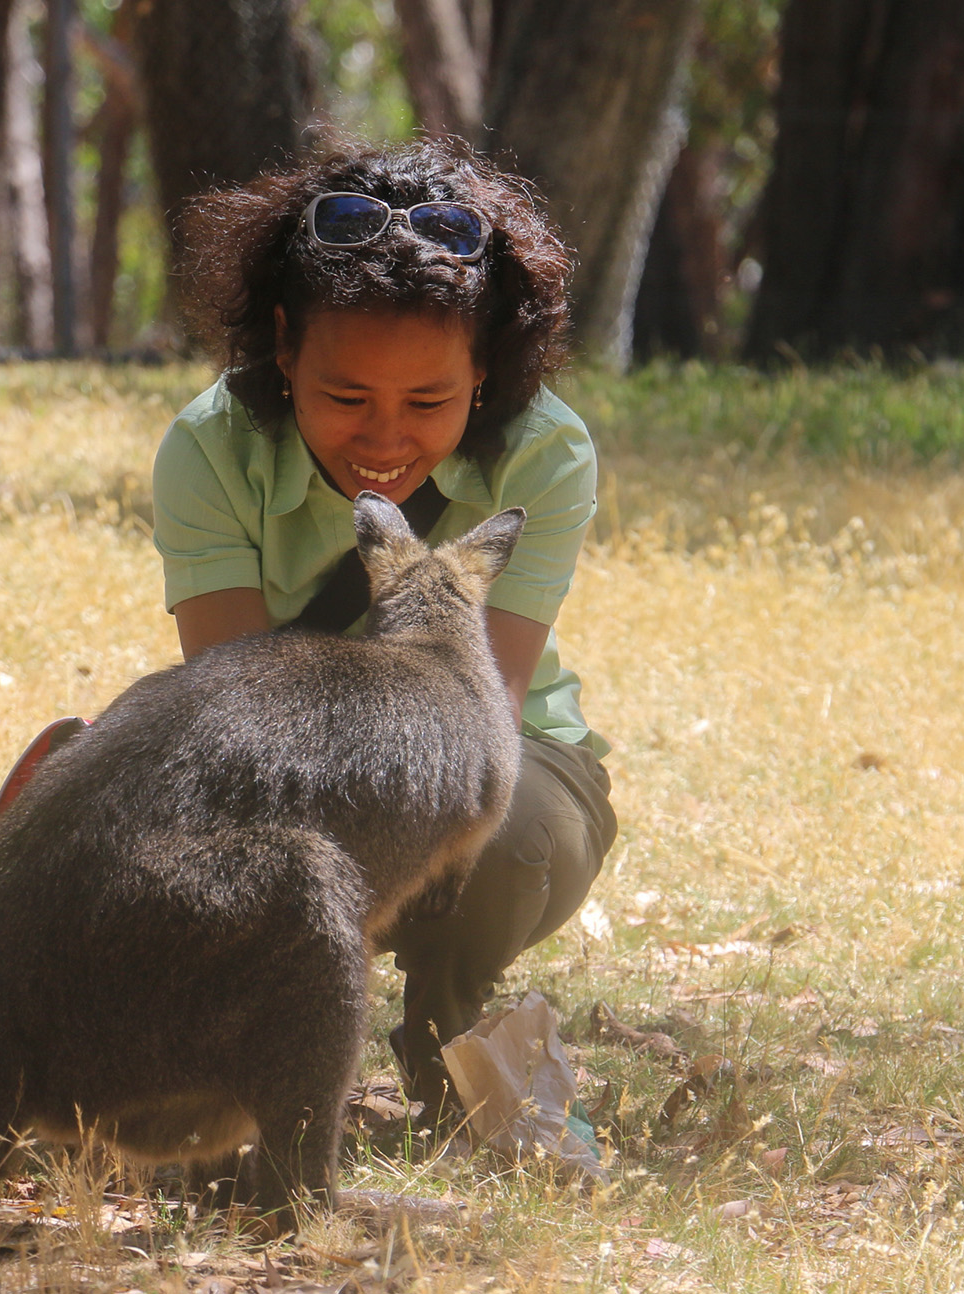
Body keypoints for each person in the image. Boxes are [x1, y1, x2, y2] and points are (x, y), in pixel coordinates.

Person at [143, 138, 618, 1123]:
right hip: (281, 762)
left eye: (429, 402)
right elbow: (240, 711)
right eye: (345, 397)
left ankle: (447, 1045)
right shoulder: (210, 448)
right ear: (282, 346)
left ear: (483, 370)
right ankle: (218, 1073)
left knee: (507, 831)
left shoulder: (546, 456)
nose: (385, 437)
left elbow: (475, 723)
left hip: (487, 763)